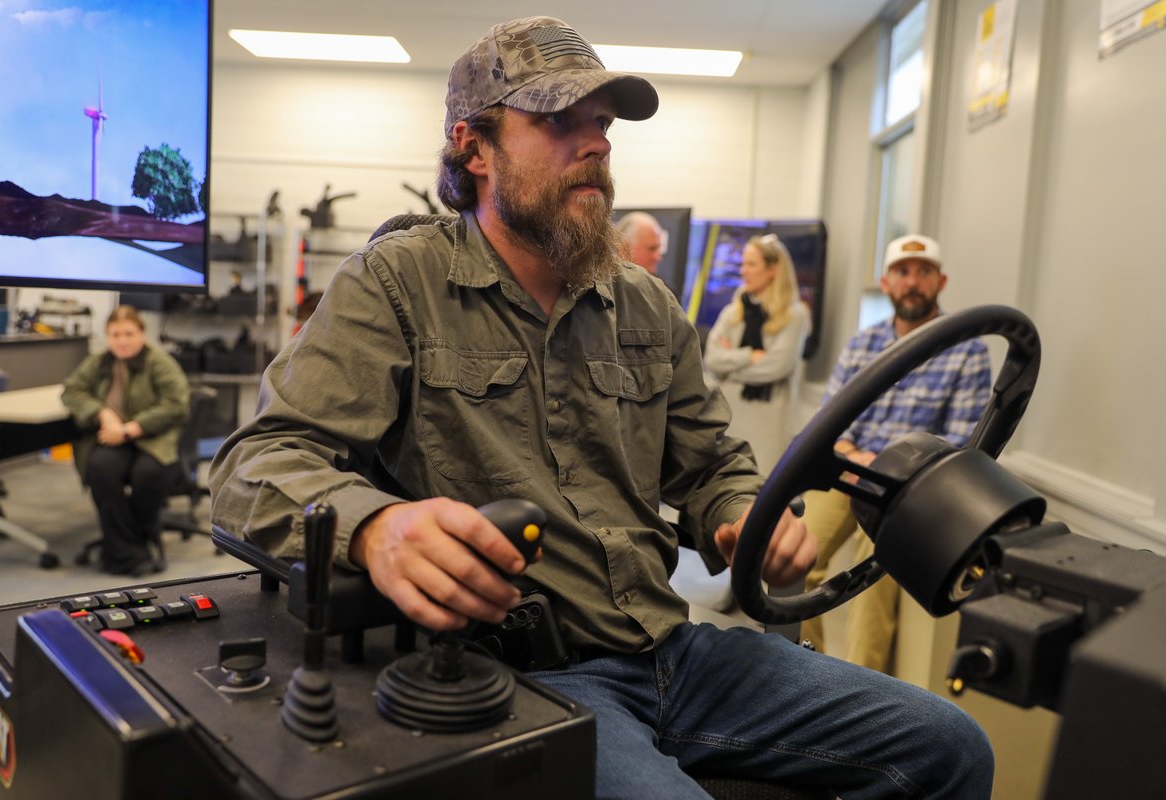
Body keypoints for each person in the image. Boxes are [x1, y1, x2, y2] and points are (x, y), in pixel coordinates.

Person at [210, 17, 992, 799]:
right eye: (558, 121)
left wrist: (742, 510)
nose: (597, 144)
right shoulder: (397, 284)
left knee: (951, 747)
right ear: (472, 148)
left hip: (671, 649)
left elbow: (713, 462)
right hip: (531, 673)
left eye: (603, 124)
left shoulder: (644, 303)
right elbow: (254, 463)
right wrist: (375, 528)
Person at [799, 234, 992, 673]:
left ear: (941, 281)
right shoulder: (863, 344)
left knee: (868, 579)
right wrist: (855, 459)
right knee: (798, 556)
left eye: (924, 272)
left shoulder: (968, 350)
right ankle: (805, 672)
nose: (913, 282)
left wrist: (886, 470)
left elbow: (961, 444)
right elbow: (831, 419)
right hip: (851, 471)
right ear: (886, 283)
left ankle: (857, 694)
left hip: (908, 489)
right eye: (902, 273)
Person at [62, 305, 189, 576]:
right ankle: (131, 551)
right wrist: (101, 412)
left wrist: (133, 428)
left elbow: (176, 404)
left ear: (142, 333)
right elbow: (72, 390)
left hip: (152, 437)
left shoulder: (158, 362)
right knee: (100, 468)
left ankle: (125, 548)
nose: (122, 340)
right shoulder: (99, 361)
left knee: (148, 473)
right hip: (112, 438)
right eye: (115, 334)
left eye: (129, 333)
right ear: (107, 336)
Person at [704, 234, 811, 470]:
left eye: (751, 264)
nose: (743, 271)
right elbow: (712, 360)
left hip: (769, 430)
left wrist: (728, 370)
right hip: (729, 422)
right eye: (743, 263)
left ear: (773, 269)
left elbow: (776, 367)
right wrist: (748, 356)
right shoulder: (732, 313)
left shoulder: (795, 315)